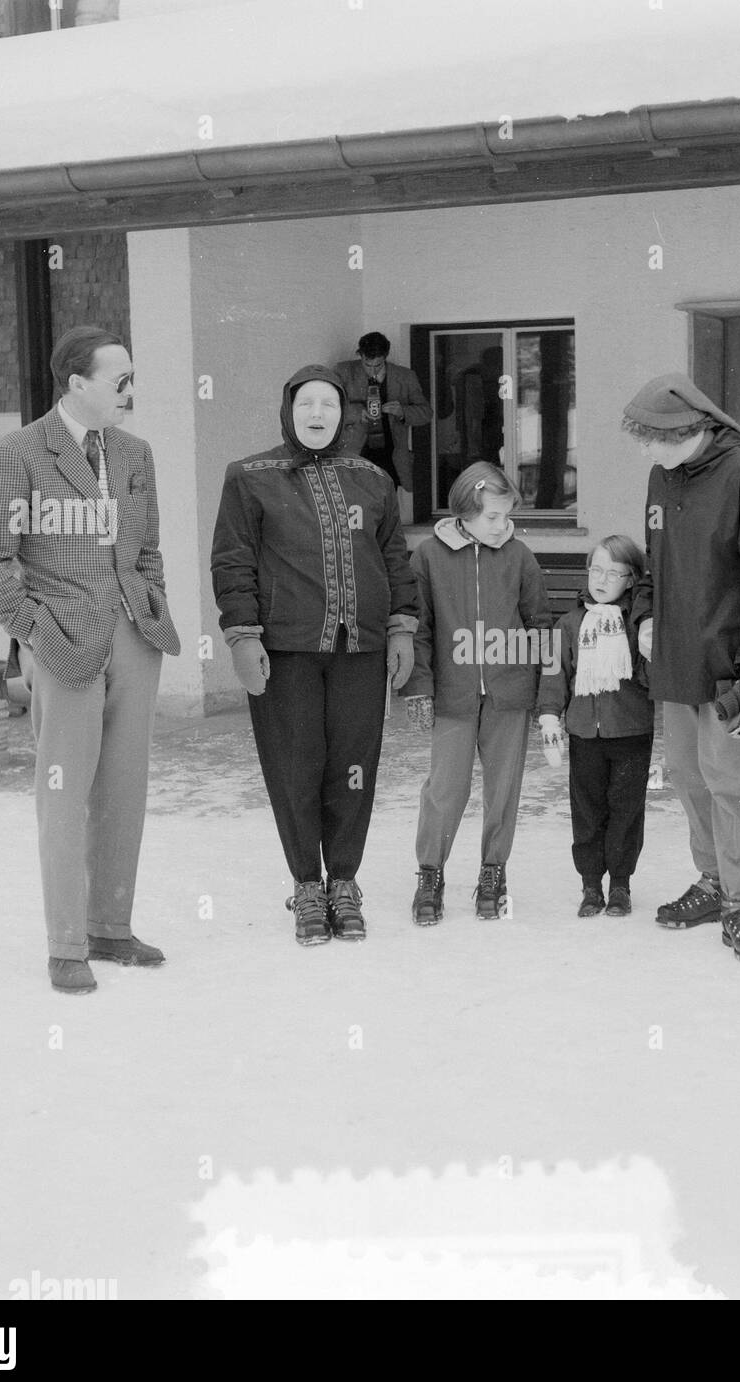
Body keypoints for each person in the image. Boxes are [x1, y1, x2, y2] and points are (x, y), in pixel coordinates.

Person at [0, 325, 180, 994]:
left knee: (124, 792)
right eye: (121, 381)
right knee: (64, 796)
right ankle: (65, 944)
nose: (131, 392)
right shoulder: (18, 454)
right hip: (63, 645)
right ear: (77, 384)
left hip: (135, 642)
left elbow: (148, 549)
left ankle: (111, 927)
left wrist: (151, 607)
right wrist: (34, 633)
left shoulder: (135, 453)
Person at [211, 365, 418, 946]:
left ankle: (345, 881)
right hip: (287, 653)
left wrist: (401, 628)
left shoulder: (372, 479)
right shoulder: (250, 477)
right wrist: (243, 635)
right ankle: (307, 883)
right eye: (307, 404)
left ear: (345, 411)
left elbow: (395, 557)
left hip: (361, 651)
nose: (318, 414)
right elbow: (233, 560)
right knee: (296, 766)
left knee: (353, 768)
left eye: (329, 403)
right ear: (290, 410)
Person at [625, 373, 740, 963]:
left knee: (735, 781)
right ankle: (711, 881)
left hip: (733, 665)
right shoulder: (660, 476)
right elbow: (654, 563)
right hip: (675, 658)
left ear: (688, 429)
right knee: (689, 774)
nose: (644, 450)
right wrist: (645, 618)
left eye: (651, 438)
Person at [403, 462, 552, 924]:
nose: (500, 526)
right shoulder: (428, 556)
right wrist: (418, 688)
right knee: (446, 788)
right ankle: (431, 872)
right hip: (452, 693)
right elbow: (419, 628)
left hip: (510, 692)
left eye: (506, 516)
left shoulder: (519, 555)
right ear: (465, 511)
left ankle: (493, 871)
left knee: (503, 789)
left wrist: (547, 697)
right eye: (491, 517)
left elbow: (540, 626)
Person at [537, 535, 654, 918]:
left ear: (632, 579)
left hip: (631, 731)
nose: (601, 579)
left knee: (626, 809)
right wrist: (551, 715)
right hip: (585, 733)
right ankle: (591, 884)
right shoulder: (569, 625)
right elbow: (554, 675)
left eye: (613, 573)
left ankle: (620, 884)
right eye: (595, 570)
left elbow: (652, 675)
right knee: (586, 810)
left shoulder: (638, 625)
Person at [335, 332, 433, 493]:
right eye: (367, 364)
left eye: (378, 365)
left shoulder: (405, 376)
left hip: (390, 454)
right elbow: (328, 407)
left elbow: (426, 413)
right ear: (360, 355)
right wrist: (356, 413)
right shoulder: (343, 372)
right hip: (355, 453)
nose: (372, 370)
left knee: (388, 506)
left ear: (386, 357)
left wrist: (403, 411)